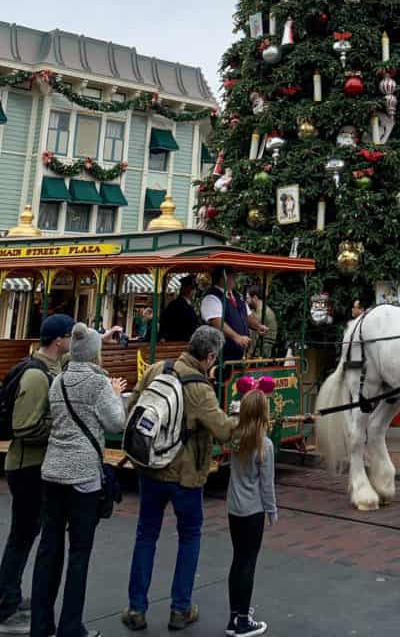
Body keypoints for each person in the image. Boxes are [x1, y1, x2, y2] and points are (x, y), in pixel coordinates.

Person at [122, 325, 242, 632]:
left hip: (150, 469)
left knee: (145, 535)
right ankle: (180, 608)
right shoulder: (200, 388)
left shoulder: (156, 369)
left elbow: (133, 406)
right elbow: (225, 431)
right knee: (190, 536)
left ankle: (136, 608)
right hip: (185, 477)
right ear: (210, 356)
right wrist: (243, 417)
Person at [30, 323, 127, 637]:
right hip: (83, 474)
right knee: (79, 552)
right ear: (96, 354)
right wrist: (116, 394)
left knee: (49, 548)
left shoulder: (57, 381)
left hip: (52, 470)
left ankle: (40, 624)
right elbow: (116, 423)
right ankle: (71, 625)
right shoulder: (98, 383)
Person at [0, 313, 74, 636]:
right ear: (58, 340)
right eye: (69, 337)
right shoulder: (37, 376)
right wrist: (60, 427)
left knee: (26, 535)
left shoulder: (50, 365)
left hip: (34, 465)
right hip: (27, 467)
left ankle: (11, 598)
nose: (70, 343)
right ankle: (7, 608)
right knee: (22, 536)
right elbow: (24, 427)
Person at [226, 389, 278, 636]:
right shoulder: (264, 444)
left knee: (237, 561)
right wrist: (272, 510)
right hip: (253, 510)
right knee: (249, 563)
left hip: (234, 509)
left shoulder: (235, 438)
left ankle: (234, 616)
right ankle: (244, 622)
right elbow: (266, 485)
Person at [200, 267, 266, 379]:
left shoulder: (237, 296)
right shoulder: (211, 297)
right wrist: (237, 338)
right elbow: (216, 322)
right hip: (221, 355)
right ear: (222, 278)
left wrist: (258, 326)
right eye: (232, 276)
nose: (235, 279)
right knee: (223, 386)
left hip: (238, 356)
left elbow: (248, 316)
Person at [158, 275, 200, 343]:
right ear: (185, 289)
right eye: (192, 289)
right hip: (178, 342)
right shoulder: (177, 304)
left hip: (183, 342)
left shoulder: (183, 304)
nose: (194, 292)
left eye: (193, 289)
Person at [246, 284, 278, 360]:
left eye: (247, 298)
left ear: (255, 298)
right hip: (260, 352)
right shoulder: (256, 311)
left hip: (261, 354)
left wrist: (248, 356)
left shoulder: (263, 313)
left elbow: (254, 337)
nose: (246, 301)